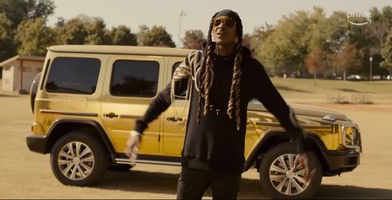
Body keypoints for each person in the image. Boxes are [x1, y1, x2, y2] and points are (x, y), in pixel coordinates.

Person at [126, 9, 314, 199]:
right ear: (211, 29)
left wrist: (302, 144)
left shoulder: (250, 69)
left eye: (228, 23)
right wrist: (139, 128)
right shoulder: (195, 63)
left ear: (237, 32)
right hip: (194, 160)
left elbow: (279, 107)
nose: (221, 26)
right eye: (217, 23)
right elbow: (164, 98)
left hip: (228, 164)